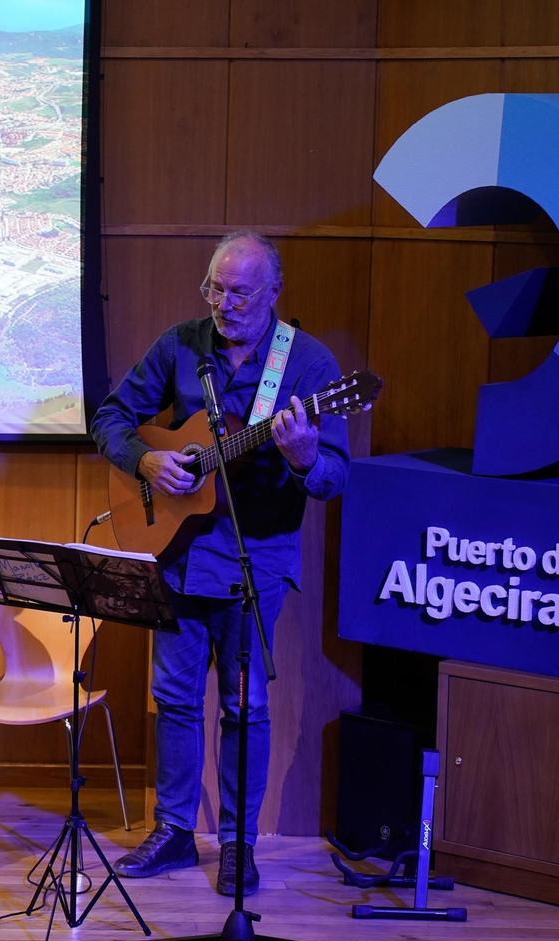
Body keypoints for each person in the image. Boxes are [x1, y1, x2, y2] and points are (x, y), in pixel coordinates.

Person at [91, 232, 349, 896]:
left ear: (272, 294)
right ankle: (174, 832)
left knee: (245, 706)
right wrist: (143, 460)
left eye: (238, 292)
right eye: (214, 288)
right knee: (173, 698)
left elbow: (332, 476)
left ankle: (239, 843)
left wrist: (302, 458)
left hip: (253, 561)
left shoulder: (310, 365)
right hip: (175, 555)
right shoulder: (181, 342)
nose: (223, 304)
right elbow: (112, 416)